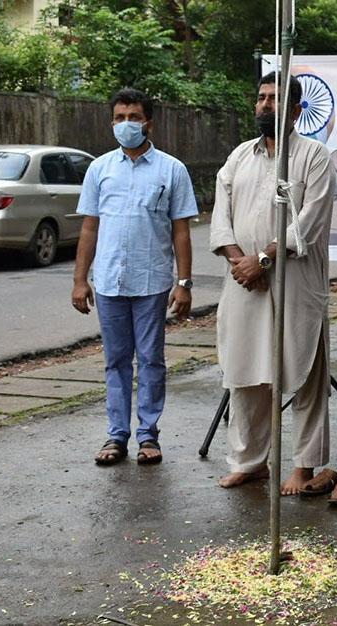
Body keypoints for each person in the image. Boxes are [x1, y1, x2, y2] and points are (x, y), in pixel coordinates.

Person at [209, 72, 336, 494]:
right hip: (244, 284)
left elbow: (309, 224)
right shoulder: (239, 157)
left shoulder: (314, 156)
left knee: (302, 373)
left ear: (297, 110)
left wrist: (262, 260)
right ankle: (250, 461)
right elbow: (220, 218)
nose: (266, 105)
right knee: (245, 372)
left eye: (276, 100)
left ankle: (304, 464)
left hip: (294, 284)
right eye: (261, 98)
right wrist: (240, 264)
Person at [72, 87, 198, 466]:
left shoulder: (171, 170)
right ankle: (116, 436)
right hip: (110, 281)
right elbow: (90, 228)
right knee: (115, 361)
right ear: (112, 123)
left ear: (148, 123)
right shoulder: (100, 169)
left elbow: (181, 231)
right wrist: (80, 279)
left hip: (152, 281)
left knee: (151, 359)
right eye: (120, 118)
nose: (127, 124)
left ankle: (148, 436)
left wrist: (185, 282)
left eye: (134, 117)